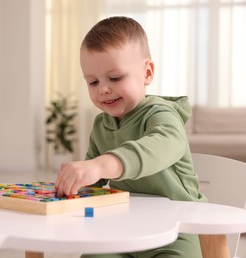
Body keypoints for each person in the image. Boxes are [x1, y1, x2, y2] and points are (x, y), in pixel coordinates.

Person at [54, 16, 206, 258]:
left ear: (147, 73)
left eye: (115, 78)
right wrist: (77, 179)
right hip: (123, 229)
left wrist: (103, 164)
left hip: (176, 232)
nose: (103, 89)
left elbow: (162, 145)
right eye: (92, 82)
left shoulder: (162, 114)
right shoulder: (100, 124)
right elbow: (94, 180)